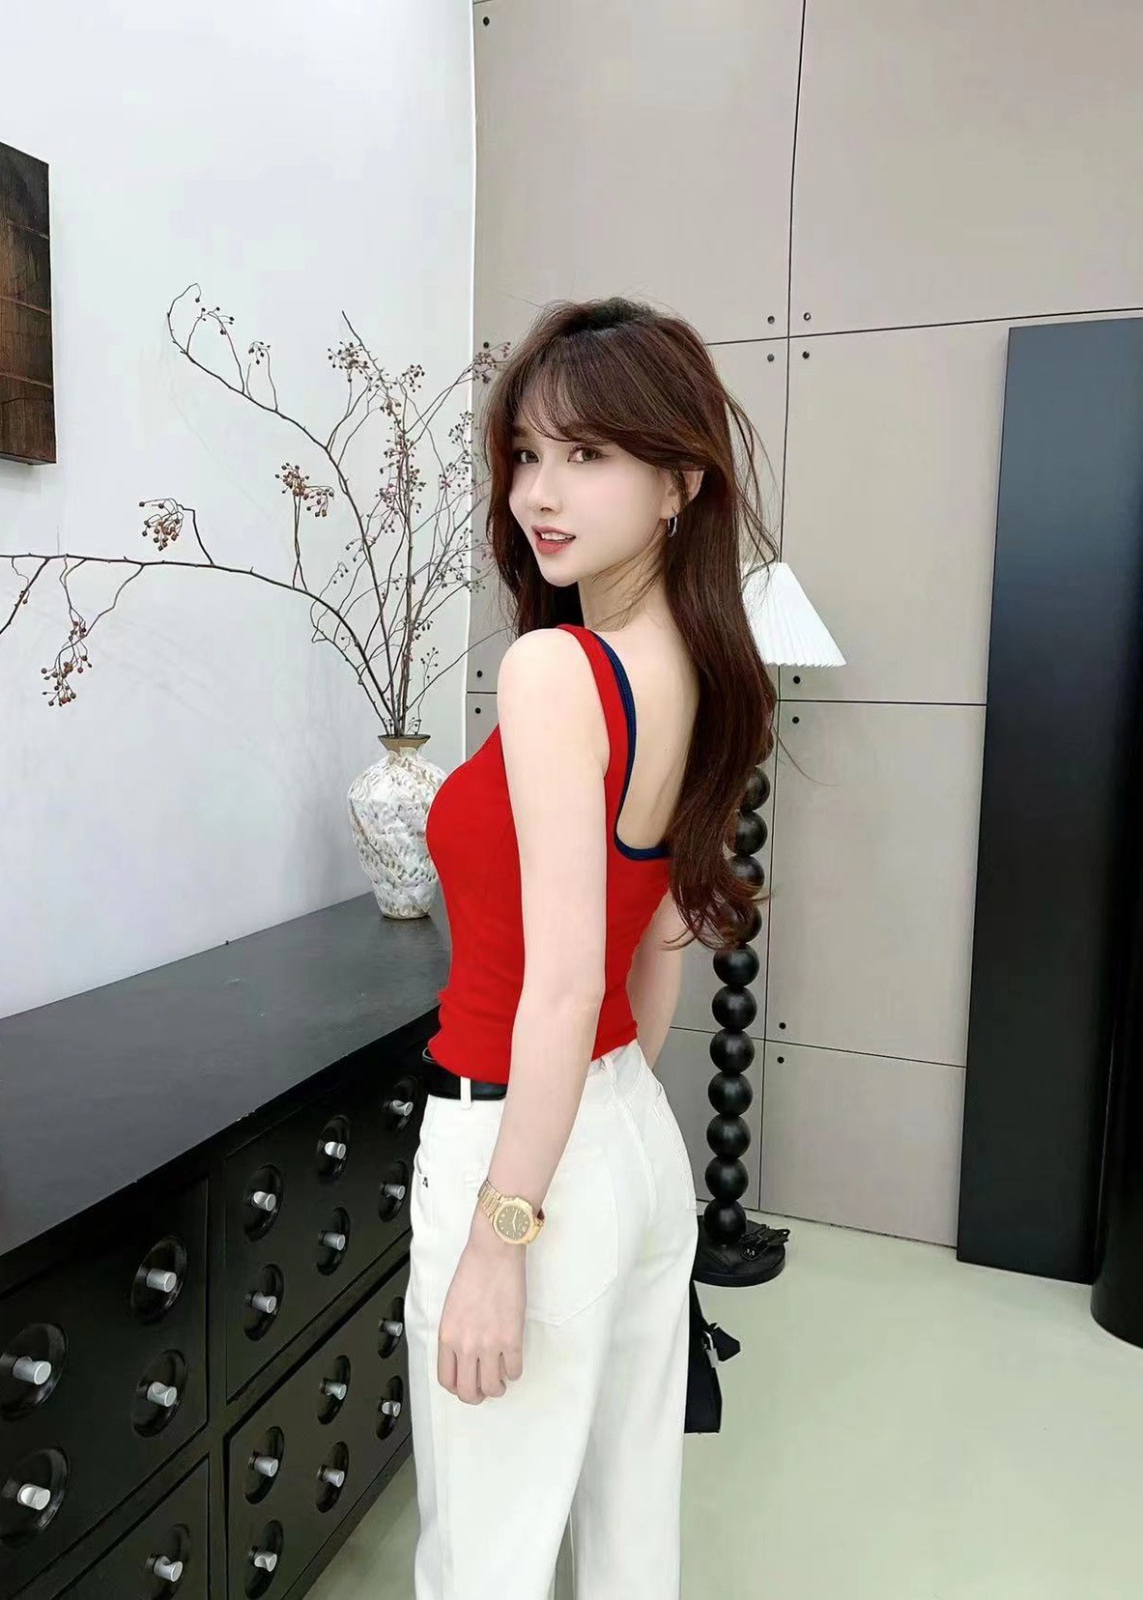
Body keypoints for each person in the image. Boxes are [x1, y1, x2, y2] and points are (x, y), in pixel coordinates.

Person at [405, 296, 778, 1600]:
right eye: (525, 454)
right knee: (629, 1542)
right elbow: (654, 955)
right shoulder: (703, 668)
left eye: (588, 454)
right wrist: (605, 1120)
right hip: (623, 1134)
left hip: (515, 1144)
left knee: (487, 1558)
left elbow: (565, 988)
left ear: (682, 481)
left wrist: (502, 1238)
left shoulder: (560, 671)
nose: (539, 495)